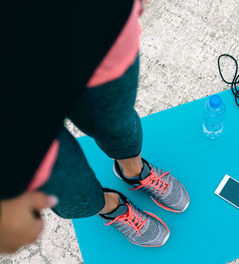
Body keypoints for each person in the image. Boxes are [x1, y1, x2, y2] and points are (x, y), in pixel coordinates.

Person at [0, 0, 189, 253]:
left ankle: (134, 173)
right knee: (68, 188)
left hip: (92, 27)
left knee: (117, 123)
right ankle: (112, 207)